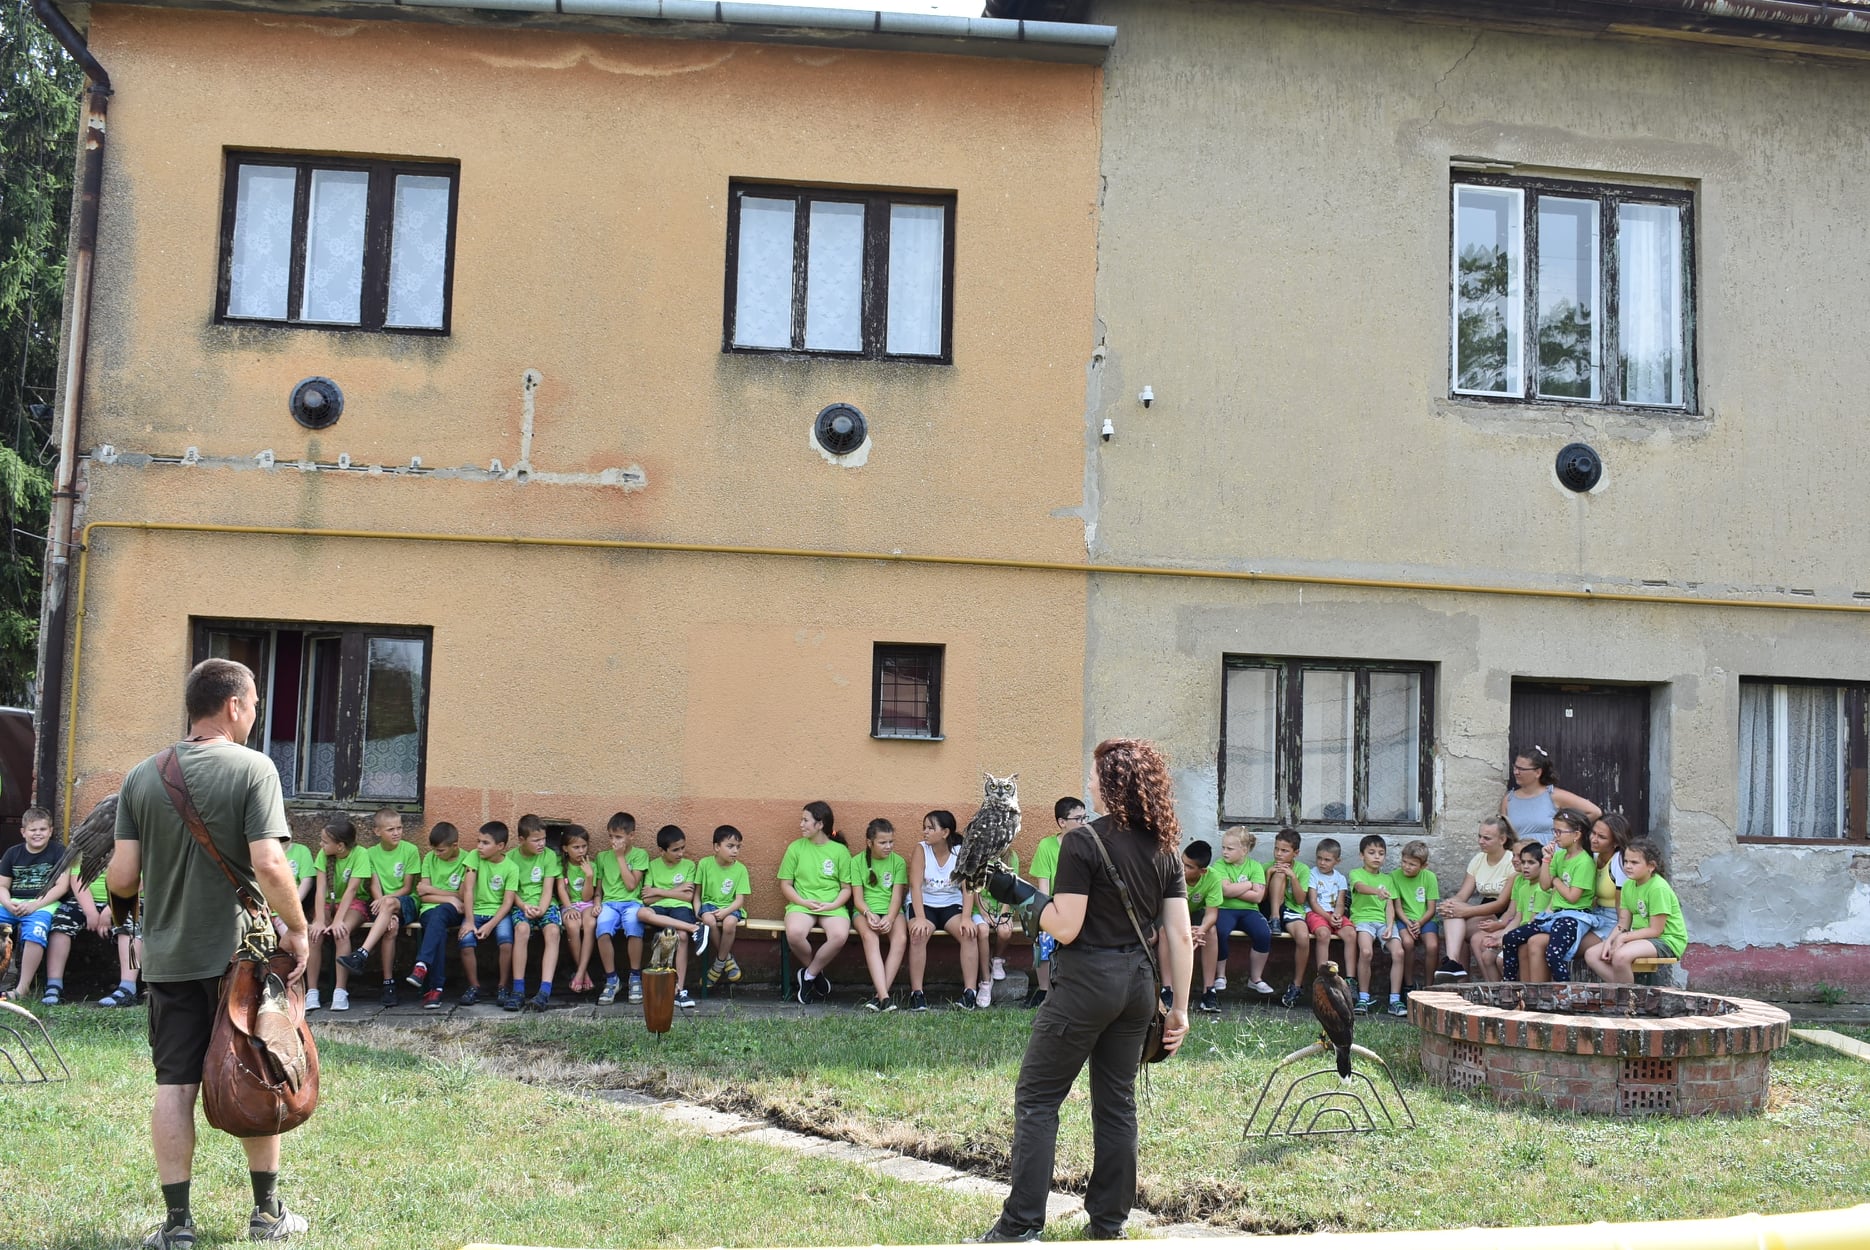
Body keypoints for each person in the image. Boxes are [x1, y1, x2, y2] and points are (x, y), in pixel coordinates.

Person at [107, 657, 311, 1246]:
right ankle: (266, 1215)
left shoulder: (143, 776)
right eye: (255, 706)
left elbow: (122, 876)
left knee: (174, 1085)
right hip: (241, 958)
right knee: (261, 1070)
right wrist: (297, 929)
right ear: (233, 705)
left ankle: (177, 1225)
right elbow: (270, 862)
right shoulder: (254, 768)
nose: (255, 716)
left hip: (169, 957)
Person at [971, 738, 1192, 1244]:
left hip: (1086, 983)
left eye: (1094, 775)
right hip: (1138, 988)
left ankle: (1020, 1225)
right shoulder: (1164, 846)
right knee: (1117, 1104)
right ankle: (1109, 1225)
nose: (1088, 783)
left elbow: (1065, 926)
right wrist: (1179, 1008)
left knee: (1038, 1098)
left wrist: (1017, 892)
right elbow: (1180, 936)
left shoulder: (1082, 842)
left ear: (1112, 784)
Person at [1501, 808, 1597, 982]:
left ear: (1576, 835)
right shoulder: (1559, 856)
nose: (1555, 836)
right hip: (1555, 915)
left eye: (1559, 832)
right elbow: (1545, 885)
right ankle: (1510, 984)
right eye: (1554, 831)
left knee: (1553, 954)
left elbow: (1572, 897)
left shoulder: (1584, 862)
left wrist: (1556, 880)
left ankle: (1565, 990)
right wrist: (1546, 859)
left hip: (1574, 916)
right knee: (1511, 938)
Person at [340, 809, 421, 1006]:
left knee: (390, 903)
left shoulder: (410, 850)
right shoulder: (370, 854)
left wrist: (386, 902)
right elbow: (374, 886)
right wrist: (384, 906)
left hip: (406, 902)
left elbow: (407, 887)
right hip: (382, 905)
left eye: (399, 828)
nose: (397, 833)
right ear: (377, 831)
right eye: (391, 829)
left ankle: (362, 953)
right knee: (390, 929)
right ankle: (388, 984)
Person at [1584, 839, 1687, 983]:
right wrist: (1609, 941)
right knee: (1592, 955)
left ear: (1651, 866)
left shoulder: (1658, 888)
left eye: (1634, 862)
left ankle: (1626, 995)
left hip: (1666, 940)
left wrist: (1623, 938)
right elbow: (1623, 923)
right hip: (1641, 938)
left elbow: (1656, 930)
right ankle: (1625, 989)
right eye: (1626, 861)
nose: (1628, 866)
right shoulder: (1628, 886)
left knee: (1620, 956)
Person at [778, 801, 850, 1004]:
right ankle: (815, 973)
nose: (801, 824)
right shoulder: (795, 848)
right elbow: (785, 885)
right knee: (795, 933)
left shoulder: (840, 851)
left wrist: (832, 905)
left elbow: (846, 888)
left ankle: (808, 975)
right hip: (801, 904)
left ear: (820, 824)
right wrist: (802, 901)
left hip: (832, 906)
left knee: (839, 935)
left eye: (805, 820)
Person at [906, 809, 977, 1011]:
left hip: (950, 904)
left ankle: (970, 993)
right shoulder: (921, 849)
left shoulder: (961, 852)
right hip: (924, 904)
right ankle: (917, 994)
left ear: (945, 832)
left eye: (930, 828)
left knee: (968, 933)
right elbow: (915, 886)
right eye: (924, 827)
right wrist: (920, 918)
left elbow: (968, 888)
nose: (925, 832)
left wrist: (966, 917)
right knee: (918, 934)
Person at [0, 806, 70, 1002]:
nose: (38, 833)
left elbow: (62, 886)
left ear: (50, 831)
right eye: (33, 830)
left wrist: (34, 905)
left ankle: (22, 988)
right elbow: (2, 885)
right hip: (13, 903)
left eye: (42, 829)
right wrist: (7, 903)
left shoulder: (58, 852)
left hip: (44, 904)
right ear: (23, 832)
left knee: (35, 934)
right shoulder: (12, 853)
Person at [1433, 816, 1515, 980]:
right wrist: (1450, 903)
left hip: (1503, 912)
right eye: (1479, 836)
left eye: (1487, 838)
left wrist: (1465, 911)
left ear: (1502, 839)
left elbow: (1502, 904)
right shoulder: (1478, 859)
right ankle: (1453, 964)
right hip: (1484, 909)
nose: (1481, 841)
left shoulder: (1511, 860)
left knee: (1466, 929)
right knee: (1452, 911)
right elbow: (1462, 895)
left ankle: (1457, 969)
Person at [305, 816, 373, 1012]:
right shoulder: (323, 855)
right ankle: (312, 991)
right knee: (314, 934)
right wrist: (319, 920)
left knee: (341, 932)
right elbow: (320, 889)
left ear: (341, 846)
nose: (321, 844)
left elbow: (352, 890)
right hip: (328, 903)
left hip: (353, 903)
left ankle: (340, 991)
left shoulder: (360, 854)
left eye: (325, 842)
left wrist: (338, 920)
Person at [638, 824, 708, 1010]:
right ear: (662, 851)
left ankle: (680, 990)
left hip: (681, 908)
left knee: (681, 936)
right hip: (658, 909)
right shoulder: (652, 865)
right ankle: (695, 928)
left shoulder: (689, 865)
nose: (681, 853)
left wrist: (658, 891)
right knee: (642, 913)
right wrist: (676, 890)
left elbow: (688, 896)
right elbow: (647, 899)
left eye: (683, 848)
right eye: (675, 850)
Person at [1022, 797, 1084, 1008]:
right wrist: (1049, 916)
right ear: (1062, 822)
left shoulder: (1088, 845)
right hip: (1056, 907)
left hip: (1083, 908)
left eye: (1085, 818)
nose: (1083, 823)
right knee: (1043, 936)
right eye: (1078, 818)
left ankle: (1078, 989)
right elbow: (1043, 890)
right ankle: (1043, 990)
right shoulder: (1047, 846)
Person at [405, 821, 470, 1008]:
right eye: (434, 849)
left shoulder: (467, 860)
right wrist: (450, 897)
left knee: (439, 915)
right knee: (437, 925)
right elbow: (423, 896)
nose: (436, 854)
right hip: (429, 910)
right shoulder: (429, 858)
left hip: (454, 911)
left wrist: (435, 891)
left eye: (441, 850)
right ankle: (436, 989)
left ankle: (422, 966)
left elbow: (462, 896)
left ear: (455, 846)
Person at [65, 853, 143, 1006]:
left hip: (131, 898)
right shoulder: (86, 847)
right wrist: (91, 912)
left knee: (129, 923)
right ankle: (53, 985)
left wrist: (111, 908)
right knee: (60, 922)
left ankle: (128, 989)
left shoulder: (137, 844)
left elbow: (142, 879)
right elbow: (77, 879)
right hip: (90, 902)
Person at [458, 821, 520, 1006]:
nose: (479, 846)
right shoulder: (473, 857)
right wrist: (470, 921)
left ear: (500, 846)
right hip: (475, 911)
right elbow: (468, 890)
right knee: (465, 941)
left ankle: (503, 985)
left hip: (499, 914)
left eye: (485, 843)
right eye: (478, 841)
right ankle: (474, 986)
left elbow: (508, 902)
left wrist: (490, 925)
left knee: (506, 942)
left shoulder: (512, 868)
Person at [848, 818, 908, 1012]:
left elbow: (897, 897)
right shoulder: (857, 862)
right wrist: (868, 914)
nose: (888, 846)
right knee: (870, 937)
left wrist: (889, 918)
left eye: (891, 842)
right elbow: (857, 899)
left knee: (900, 938)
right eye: (883, 842)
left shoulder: (898, 862)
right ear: (869, 843)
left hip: (892, 911)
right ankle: (885, 997)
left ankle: (879, 997)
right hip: (864, 911)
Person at [506, 815, 563, 1011]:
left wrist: (542, 909)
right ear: (521, 840)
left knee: (553, 931)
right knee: (521, 930)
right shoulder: (510, 858)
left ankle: (544, 991)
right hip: (521, 904)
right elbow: (510, 891)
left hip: (545, 904)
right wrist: (524, 907)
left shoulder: (549, 856)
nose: (541, 844)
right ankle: (518, 990)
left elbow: (548, 889)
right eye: (536, 840)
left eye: (544, 839)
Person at [1210, 827, 1273, 999]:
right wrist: (1249, 885)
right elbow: (1225, 891)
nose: (1225, 852)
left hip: (1249, 911)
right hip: (1225, 909)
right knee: (1220, 931)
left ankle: (1255, 978)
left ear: (1244, 850)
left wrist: (1233, 889)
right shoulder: (1219, 865)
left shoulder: (1255, 866)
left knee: (1263, 933)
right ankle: (1220, 976)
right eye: (1223, 847)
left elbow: (1258, 897)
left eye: (1230, 848)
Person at [593, 811, 648, 1005]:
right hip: (609, 903)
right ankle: (612, 979)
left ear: (631, 836)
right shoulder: (601, 857)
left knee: (633, 926)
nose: (613, 841)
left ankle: (635, 976)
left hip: (632, 902)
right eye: (611, 837)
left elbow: (631, 885)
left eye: (618, 837)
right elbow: (598, 889)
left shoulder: (640, 855)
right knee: (602, 929)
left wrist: (620, 857)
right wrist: (597, 903)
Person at [1500, 745, 1602, 847]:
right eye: (1515, 767)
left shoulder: (1554, 795)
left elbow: (1594, 812)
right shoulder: (1508, 800)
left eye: (1521, 769)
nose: (1516, 772)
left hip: (1551, 854)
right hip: (1521, 855)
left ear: (1538, 772)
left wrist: (1568, 832)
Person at [1474, 842, 1548, 980]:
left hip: (1530, 933)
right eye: (1523, 862)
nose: (1525, 866)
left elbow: (1534, 922)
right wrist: (1501, 935)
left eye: (1531, 862)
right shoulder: (1523, 887)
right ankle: (1501, 990)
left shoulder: (1542, 889)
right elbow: (1517, 917)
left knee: (1502, 959)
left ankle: (1516, 988)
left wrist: (1504, 938)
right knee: (1487, 954)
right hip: (1520, 932)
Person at [1385, 840, 1439, 1016]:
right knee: (1407, 943)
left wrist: (1419, 923)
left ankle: (1429, 986)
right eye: (1404, 862)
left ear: (1423, 866)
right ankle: (1407, 985)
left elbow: (1431, 909)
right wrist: (1409, 923)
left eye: (1412, 864)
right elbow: (1398, 907)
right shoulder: (1394, 876)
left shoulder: (1429, 877)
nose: (1406, 867)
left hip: (1425, 919)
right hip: (1404, 919)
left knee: (1432, 946)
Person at [698, 824, 752, 989]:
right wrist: (697, 911)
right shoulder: (704, 864)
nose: (735, 851)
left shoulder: (741, 869)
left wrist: (726, 911)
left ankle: (718, 965)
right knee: (709, 921)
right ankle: (727, 959)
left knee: (729, 923)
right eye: (730, 846)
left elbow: (739, 900)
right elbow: (697, 893)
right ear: (716, 847)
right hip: (708, 905)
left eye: (738, 847)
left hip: (731, 907)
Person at [1346, 834, 1395, 1014]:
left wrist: (1390, 926)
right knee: (1366, 952)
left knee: (1399, 952)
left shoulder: (1388, 879)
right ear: (1362, 855)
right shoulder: (1356, 873)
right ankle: (1363, 998)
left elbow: (1390, 905)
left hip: (1383, 922)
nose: (1376, 857)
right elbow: (1360, 887)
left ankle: (1395, 1000)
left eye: (1381, 853)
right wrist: (1376, 892)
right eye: (1371, 852)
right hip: (1362, 921)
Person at [1264, 828, 1312, 1007]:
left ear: (1295, 853)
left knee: (1303, 937)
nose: (1278, 854)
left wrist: (1293, 877)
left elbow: (1300, 900)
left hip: (1292, 910)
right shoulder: (1267, 866)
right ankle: (1274, 918)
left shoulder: (1302, 869)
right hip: (1269, 909)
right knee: (1278, 873)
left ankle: (1296, 985)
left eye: (1284, 851)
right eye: (1276, 849)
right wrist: (1268, 874)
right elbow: (1261, 898)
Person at [973, 842, 1019, 1008]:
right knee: (982, 930)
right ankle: (986, 980)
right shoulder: (977, 856)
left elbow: (1012, 887)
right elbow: (974, 889)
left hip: (1002, 907)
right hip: (979, 908)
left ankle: (997, 959)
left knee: (1005, 931)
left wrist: (1004, 914)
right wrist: (984, 912)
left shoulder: (1011, 857)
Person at [1181, 840, 1222, 1012]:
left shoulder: (1213, 877)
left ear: (1202, 871)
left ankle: (1209, 991)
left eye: (1189, 867)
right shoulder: (1173, 873)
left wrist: (1200, 931)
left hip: (1195, 914)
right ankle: (1168, 990)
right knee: (1165, 932)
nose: (1182, 868)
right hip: (1173, 915)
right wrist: (1185, 930)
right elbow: (1167, 909)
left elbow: (1212, 914)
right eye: (1182, 862)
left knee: (1211, 931)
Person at [1305, 837, 1353, 980]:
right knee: (1323, 934)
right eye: (1319, 858)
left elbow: (1340, 903)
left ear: (1337, 861)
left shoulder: (1340, 878)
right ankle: (1322, 976)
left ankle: (1350, 978)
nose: (1322, 863)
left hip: (1334, 914)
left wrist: (1337, 916)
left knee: (1351, 934)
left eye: (1327, 860)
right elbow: (1313, 902)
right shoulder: (1312, 874)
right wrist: (1328, 917)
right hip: (1316, 913)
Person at [558, 826, 598, 994]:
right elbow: (561, 889)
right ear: (565, 849)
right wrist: (568, 908)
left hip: (587, 904)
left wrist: (589, 876)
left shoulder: (591, 866)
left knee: (590, 924)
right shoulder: (561, 866)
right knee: (572, 925)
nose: (581, 851)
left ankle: (580, 972)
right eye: (576, 847)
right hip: (569, 904)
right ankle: (584, 973)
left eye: (584, 846)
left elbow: (587, 897)